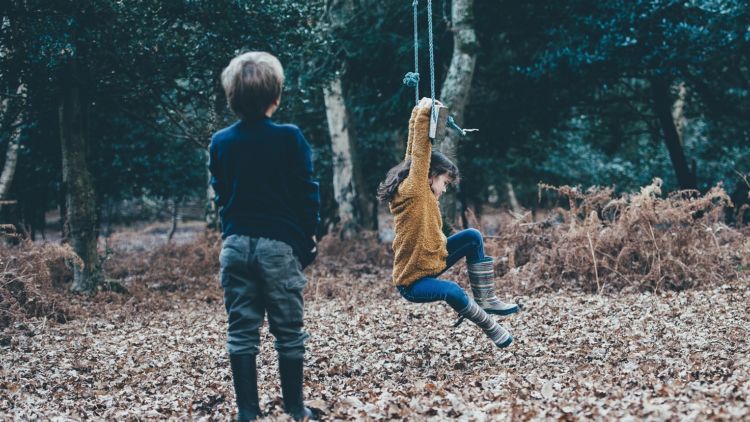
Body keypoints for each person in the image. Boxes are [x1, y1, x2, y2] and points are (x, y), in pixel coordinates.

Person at [209, 51, 319, 421]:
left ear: (232, 97)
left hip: (236, 245)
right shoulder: (290, 138)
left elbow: (221, 193)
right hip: (279, 246)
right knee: (288, 330)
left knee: (242, 329)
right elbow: (307, 192)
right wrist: (308, 239)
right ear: (277, 96)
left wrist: (232, 233)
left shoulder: (220, 142)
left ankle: (247, 413)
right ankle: (296, 410)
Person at [377, 98, 519, 349]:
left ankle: (486, 298)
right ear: (430, 177)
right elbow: (420, 152)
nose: (444, 190)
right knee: (453, 290)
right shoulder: (414, 190)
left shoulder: (418, 188)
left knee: (473, 236)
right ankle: (489, 325)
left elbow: (412, 153)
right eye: (444, 183)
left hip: (434, 259)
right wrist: (425, 112)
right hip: (413, 282)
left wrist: (416, 112)